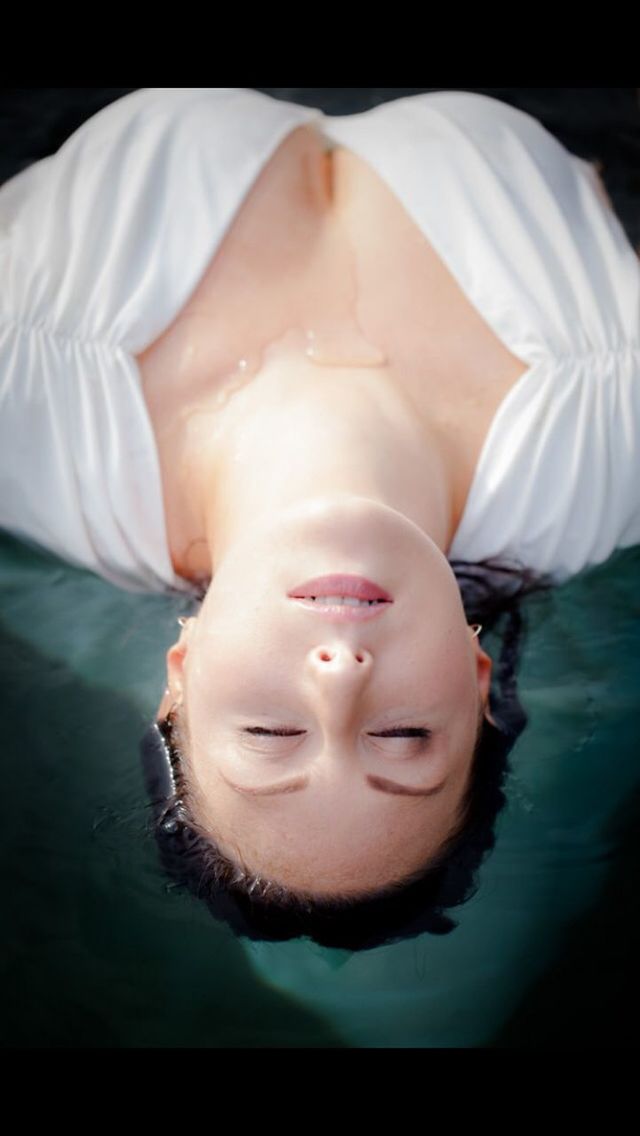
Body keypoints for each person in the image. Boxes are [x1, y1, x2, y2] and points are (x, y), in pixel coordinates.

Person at [2, 88, 638, 948]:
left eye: (272, 733)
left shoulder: (27, 422)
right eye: (403, 736)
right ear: (479, 681)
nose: (341, 676)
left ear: (179, 678)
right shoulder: (613, 453)